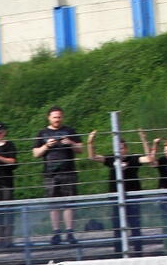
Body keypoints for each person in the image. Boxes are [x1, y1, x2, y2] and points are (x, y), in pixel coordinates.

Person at [85, 129, 145, 254]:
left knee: (135, 227)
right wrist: (90, 142)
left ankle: (138, 253)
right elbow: (92, 157)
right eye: (117, 148)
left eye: (121, 148)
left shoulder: (133, 159)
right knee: (117, 228)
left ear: (126, 149)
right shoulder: (112, 159)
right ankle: (119, 254)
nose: (120, 151)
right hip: (116, 199)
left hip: (132, 198)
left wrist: (143, 139)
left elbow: (149, 159)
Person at [33, 107, 81, 245]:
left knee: (69, 203)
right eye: (54, 117)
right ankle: (56, 232)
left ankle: (70, 232)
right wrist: (47, 146)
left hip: (68, 172)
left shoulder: (70, 131)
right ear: (49, 118)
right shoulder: (42, 133)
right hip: (50, 173)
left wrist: (70, 143)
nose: (57, 119)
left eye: (59, 117)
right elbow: (35, 153)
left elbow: (80, 149)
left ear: (62, 117)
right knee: (53, 204)